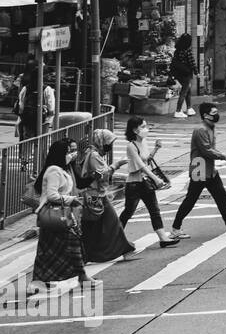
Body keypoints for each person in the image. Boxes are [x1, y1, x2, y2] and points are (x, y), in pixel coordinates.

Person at [170, 103, 226, 238]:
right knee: (191, 199)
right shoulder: (201, 130)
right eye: (214, 113)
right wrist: (223, 156)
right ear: (205, 115)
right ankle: (175, 229)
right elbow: (206, 150)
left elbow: (210, 149)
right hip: (199, 168)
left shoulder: (210, 127)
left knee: (221, 196)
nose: (217, 115)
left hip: (209, 169)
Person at [30, 139, 89, 291]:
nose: (71, 154)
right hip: (55, 215)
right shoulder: (54, 171)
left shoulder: (61, 169)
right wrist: (72, 199)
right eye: (68, 151)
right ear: (60, 154)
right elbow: (52, 195)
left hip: (62, 214)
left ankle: (42, 280)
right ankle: (82, 276)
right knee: (70, 245)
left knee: (50, 250)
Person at [74, 129, 135, 264]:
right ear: (101, 142)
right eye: (108, 143)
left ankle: (90, 254)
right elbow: (102, 174)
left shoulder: (91, 152)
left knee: (95, 227)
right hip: (96, 196)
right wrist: (116, 165)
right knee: (110, 224)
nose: (110, 147)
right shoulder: (94, 155)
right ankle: (122, 249)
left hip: (96, 195)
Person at [120, 116, 177, 247]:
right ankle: (116, 237)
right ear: (135, 130)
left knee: (154, 210)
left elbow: (147, 160)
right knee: (128, 212)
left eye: (146, 126)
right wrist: (156, 179)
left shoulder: (143, 142)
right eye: (143, 127)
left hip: (145, 183)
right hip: (134, 184)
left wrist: (156, 148)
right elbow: (141, 166)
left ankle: (163, 238)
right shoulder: (131, 146)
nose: (146, 129)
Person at [171, 33, 198, 119]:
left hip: (179, 73)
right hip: (186, 73)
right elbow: (192, 62)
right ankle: (178, 111)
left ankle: (189, 108)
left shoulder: (177, 50)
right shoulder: (187, 50)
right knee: (184, 91)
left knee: (188, 90)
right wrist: (196, 71)